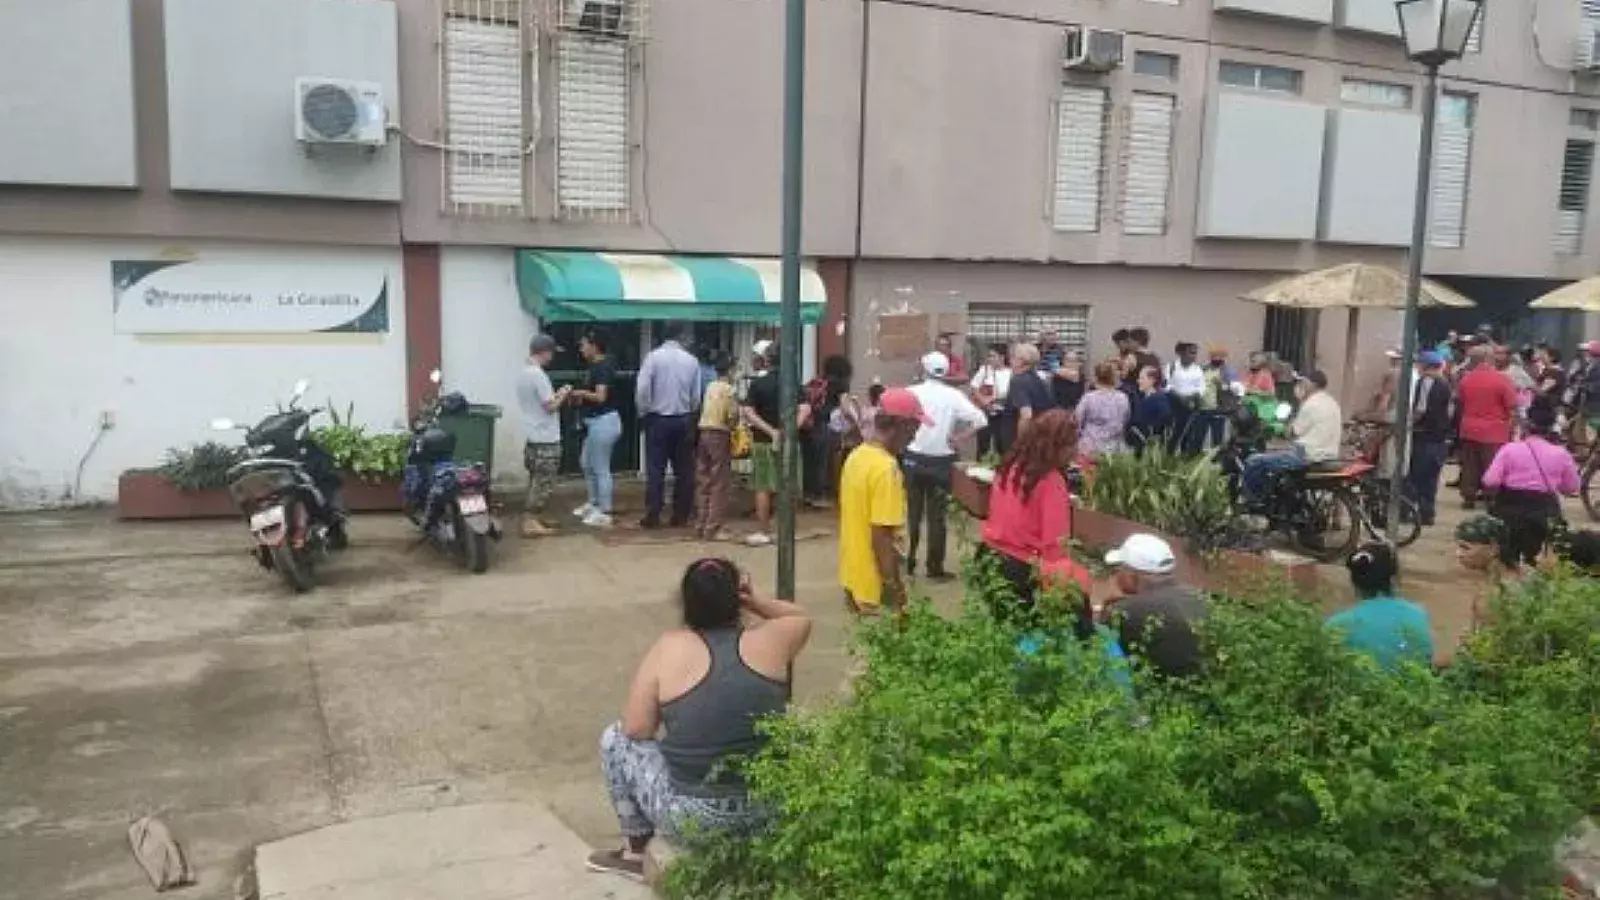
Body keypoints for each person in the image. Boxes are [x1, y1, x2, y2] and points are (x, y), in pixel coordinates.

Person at [587, 558, 811, 880]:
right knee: (797, 720)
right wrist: (755, 601)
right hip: (767, 813)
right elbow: (798, 616)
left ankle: (635, 852)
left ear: (685, 603)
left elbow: (636, 729)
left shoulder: (669, 647)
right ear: (738, 597)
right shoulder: (773, 640)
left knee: (615, 738)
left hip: (694, 819)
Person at [977, 409, 1088, 627]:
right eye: (1070, 446)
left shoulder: (1010, 467)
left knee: (1003, 630)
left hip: (989, 557)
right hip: (1023, 569)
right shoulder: (1050, 480)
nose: (1074, 453)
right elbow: (1055, 544)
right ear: (1055, 446)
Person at [838, 388, 930, 616]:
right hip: (874, 587)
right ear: (900, 425)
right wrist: (896, 592)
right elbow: (882, 536)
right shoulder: (886, 469)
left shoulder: (857, 456)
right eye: (914, 428)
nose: (915, 436)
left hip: (852, 578)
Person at [905, 352, 987, 581]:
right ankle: (934, 567)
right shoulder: (954, 396)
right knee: (937, 516)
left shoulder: (912, 393)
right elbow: (981, 419)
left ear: (924, 369)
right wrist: (959, 437)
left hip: (914, 457)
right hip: (942, 460)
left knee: (912, 513)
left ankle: (909, 561)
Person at [1481, 397, 1579, 568]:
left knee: (1506, 561)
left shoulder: (1509, 449)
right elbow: (1572, 487)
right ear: (1551, 428)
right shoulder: (1561, 454)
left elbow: (1490, 480)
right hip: (1544, 513)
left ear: (1526, 425)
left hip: (1509, 510)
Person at [1102, 533, 1206, 679]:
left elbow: (1097, 647)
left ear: (1132, 575)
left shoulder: (1126, 611)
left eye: (1119, 569)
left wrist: (1107, 608)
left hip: (1157, 694)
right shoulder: (1199, 597)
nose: (1116, 575)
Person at [1239, 370, 1343, 506]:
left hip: (1306, 455)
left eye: (1303, 382)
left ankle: (1252, 502)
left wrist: (1279, 427)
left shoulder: (1311, 404)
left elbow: (1293, 432)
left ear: (1311, 384)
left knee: (1254, 461)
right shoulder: (1331, 402)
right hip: (1329, 454)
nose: (1300, 385)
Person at [1326, 542, 1434, 670]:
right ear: (1394, 578)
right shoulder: (1419, 615)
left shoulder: (1337, 625)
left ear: (1353, 581)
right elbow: (1426, 660)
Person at [636, 324, 702, 529]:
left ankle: (653, 513)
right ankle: (681, 514)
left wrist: (644, 410)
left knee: (656, 468)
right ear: (681, 336)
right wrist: (690, 411)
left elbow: (643, 388)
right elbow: (696, 395)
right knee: (684, 469)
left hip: (657, 418)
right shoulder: (691, 361)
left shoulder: (653, 358)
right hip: (683, 418)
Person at [517, 334, 571, 538]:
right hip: (545, 438)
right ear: (544, 352)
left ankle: (534, 517)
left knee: (535, 479)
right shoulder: (538, 375)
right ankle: (530, 520)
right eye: (551, 353)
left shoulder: (523, 373)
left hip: (532, 436)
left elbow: (540, 403)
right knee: (543, 482)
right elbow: (549, 407)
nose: (552, 358)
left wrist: (556, 394)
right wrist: (563, 395)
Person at [1456, 343, 1517, 510]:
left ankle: (1468, 497)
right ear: (1489, 359)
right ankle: (1491, 497)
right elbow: (1512, 405)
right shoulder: (1502, 379)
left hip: (1469, 428)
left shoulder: (1466, 379)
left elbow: (1460, 401)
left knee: (1469, 465)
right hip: (1494, 430)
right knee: (1491, 465)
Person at [570, 330, 622, 528]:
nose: (581, 349)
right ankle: (593, 503)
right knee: (586, 462)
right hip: (595, 422)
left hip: (604, 422)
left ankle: (605, 510)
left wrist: (581, 393)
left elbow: (601, 397)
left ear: (594, 346)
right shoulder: (596, 366)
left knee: (600, 467)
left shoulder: (603, 367)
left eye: (584, 345)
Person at [739, 341, 784, 547]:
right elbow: (804, 409)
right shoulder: (792, 383)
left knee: (763, 487)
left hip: (761, 441)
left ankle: (764, 531)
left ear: (766, 360)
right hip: (787, 442)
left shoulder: (758, 384)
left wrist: (770, 431)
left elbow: (748, 411)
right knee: (785, 486)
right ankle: (784, 532)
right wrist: (785, 432)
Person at [693, 352, 739, 542]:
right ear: (729, 371)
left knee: (704, 480)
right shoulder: (729, 390)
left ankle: (701, 523)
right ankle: (714, 527)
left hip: (703, 431)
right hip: (719, 434)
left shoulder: (710, 386)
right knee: (720, 482)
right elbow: (731, 416)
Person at [1407, 351, 1453, 527]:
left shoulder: (1426, 382)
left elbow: (1420, 409)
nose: (1417, 368)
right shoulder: (1445, 384)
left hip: (1425, 435)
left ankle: (1416, 512)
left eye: (1419, 364)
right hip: (1439, 437)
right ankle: (1428, 513)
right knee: (1431, 477)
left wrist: (1409, 423)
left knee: (1418, 475)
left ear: (1425, 366)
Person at [1075, 359, 1131, 457]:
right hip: (1114, 447)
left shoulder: (1088, 398)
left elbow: (1077, 420)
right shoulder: (1122, 398)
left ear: (1097, 377)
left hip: (1090, 446)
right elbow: (1126, 419)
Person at [970, 343, 1013, 459]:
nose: (990, 359)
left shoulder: (1011, 372)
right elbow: (974, 387)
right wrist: (983, 401)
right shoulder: (984, 370)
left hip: (1002, 413)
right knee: (983, 444)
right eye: (989, 356)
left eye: (993, 356)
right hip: (986, 412)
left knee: (1002, 444)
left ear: (1002, 357)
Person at [1006, 342, 1055, 440]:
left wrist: (1021, 442)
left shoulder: (1018, 381)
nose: (1010, 361)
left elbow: (1026, 415)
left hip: (1024, 437)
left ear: (1021, 361)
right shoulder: (1039, 380)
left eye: (1013, 357)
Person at [1165, 342, 1206, 453]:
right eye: (1191, 353)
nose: (1194, 356)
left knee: (1189, 435)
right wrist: (1179, 396)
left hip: (1191, 405)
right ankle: (1169, 457)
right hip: (1175, 405)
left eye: (1195, 353)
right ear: (1182, 353)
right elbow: (1167, 386)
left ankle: (1184, 457)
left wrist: (1193, 396)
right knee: (1174, 434)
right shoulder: (1172, 367)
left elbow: (1201, 387)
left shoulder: (1197, 369)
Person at [1127, 364, 1173, 453]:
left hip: (1151, 449)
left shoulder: (1159, 399)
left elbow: (1165, 421)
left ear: (1151, 380)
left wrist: (1148, 434)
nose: (1138, 381)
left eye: (1141, 378)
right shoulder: (1144, 398)